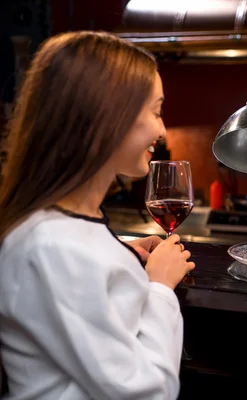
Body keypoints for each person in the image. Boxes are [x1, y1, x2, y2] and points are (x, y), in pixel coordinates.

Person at [0, 31, 195, 399]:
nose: (162, 129)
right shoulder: (55, 248)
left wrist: (120, 254)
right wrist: (159, 288)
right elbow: (147, 392)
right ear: (106, 116)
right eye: (156, 110)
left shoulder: (59, 238)